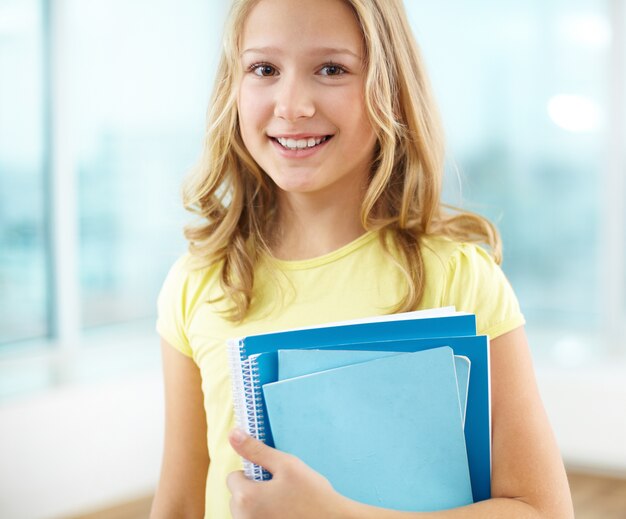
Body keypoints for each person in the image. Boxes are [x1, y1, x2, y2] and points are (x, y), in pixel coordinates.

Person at [150, 0, 574, 517]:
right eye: (264, 69)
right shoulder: (197, 282)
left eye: (331, 69)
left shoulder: (459, 279)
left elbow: (541, 509)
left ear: (390, 92)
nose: (291, 105)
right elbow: (179, 503)